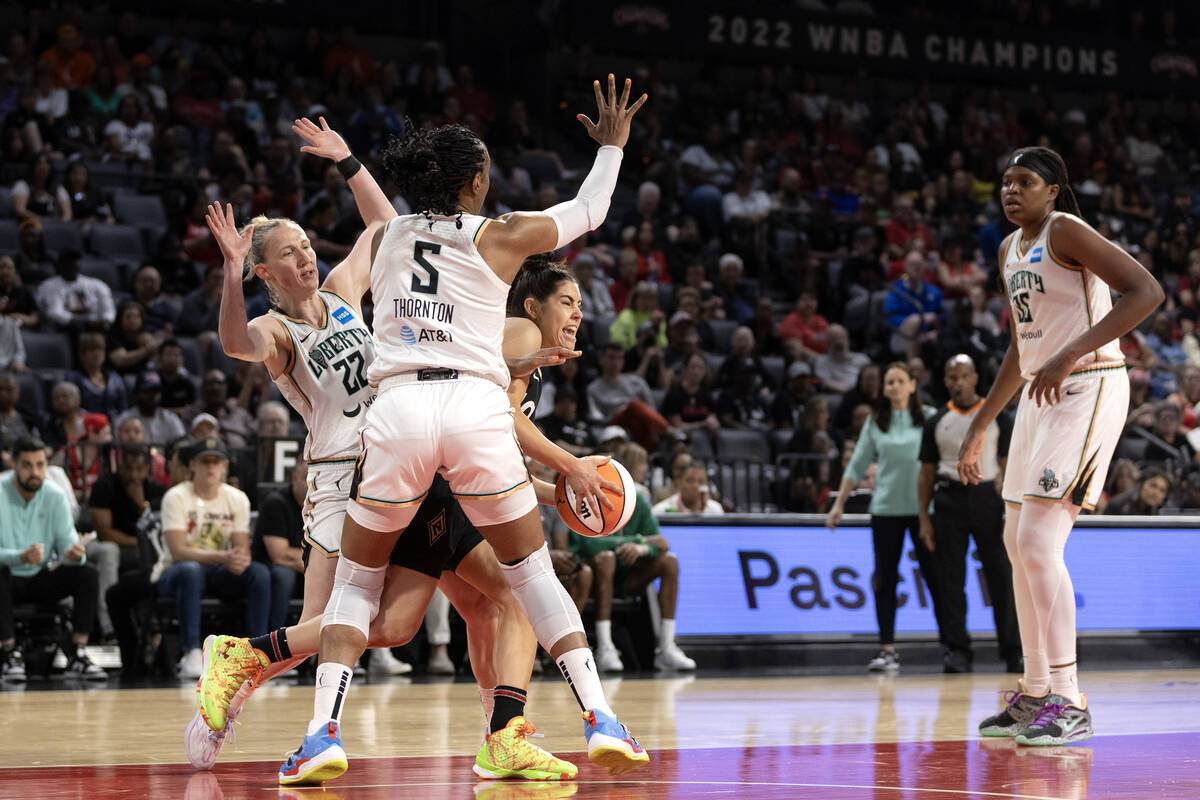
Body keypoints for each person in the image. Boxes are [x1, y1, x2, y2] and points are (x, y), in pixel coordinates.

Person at [187, 116, 616, 782]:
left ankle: (503, 732)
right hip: (347, 475)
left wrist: (349, 161)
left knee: (491, 599)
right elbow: (234, 342)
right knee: (362, 625)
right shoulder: (273, 331)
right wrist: (231, 273)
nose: (305, 257)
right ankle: (240, 660)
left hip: (416, 458)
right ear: (267, 271)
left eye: (307, 244)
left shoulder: (347, 293)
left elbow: (395, 227)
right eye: (290, 252)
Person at [284, 77, 649, 783]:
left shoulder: (385, 236)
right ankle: (600, 715)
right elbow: (592, 208)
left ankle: (320, 734)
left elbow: (374, 222)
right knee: (531, 573)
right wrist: (610, 147)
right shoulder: (503, 236)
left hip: (397, 414)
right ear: (476, 181)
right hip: (475, 410)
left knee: (358, 583)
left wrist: (349, 164)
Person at [957, 146, 1162, 746]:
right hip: (1040, 392)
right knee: (1012, 542)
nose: (1011, 191)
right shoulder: (1007, 249)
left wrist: (1071, 351)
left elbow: (1146, 293)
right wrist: (979, 424)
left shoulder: (1065, 230)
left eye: (1025, 182)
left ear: (1053, 190)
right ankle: (1036, 692)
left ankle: (1071, 701)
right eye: (1005, 183)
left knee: (1038, 541)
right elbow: (1023, 350)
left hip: (1091, 383)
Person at [826, 361, 945, 672]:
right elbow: (856, 465)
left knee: (937, 580)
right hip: (886, 512)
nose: (893, 386)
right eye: (888, 381)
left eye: (899, 381)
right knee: (885, 581)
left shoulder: (930, 417)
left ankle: (951, 645)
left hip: (925, 513)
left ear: (912, 385)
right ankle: (887, 649)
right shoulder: (876, 421)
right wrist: (839, 503)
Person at [917, 354, 1021, 674]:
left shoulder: (998, 416)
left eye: (964, 376)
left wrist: (1013, 509)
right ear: (945, 382)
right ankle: (956, 650)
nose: (958, 382)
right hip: (948, 499)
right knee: (950, 581)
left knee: (1002, 578)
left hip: (988, 498)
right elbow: (926, 474)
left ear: (975, 377)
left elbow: (1010, 467)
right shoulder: (936, 422)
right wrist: (924, 518)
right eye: (952, 377)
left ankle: (1013, 651)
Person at [571, 442, 695, 673]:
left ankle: (666, 647)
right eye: (642, 463)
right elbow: (586, 543)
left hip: (626, 578)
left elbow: (661, 543)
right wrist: (635, 542)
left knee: (670, 562)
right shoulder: (589, 495)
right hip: (593, 576)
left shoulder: (639, 500)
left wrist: (640, 548)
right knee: (606, 558)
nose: (646, 468)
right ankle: (605, 647)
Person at [156, 437, 269, 678]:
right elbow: (178, 552)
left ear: (224, 467)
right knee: (191, 570)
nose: (210, 467)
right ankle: (192, 652)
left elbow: (241, 548)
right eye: (205, 461)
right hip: (175, 572)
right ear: (192, 466)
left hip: (219, 568)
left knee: (259, 573)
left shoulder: (237, 498)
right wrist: (225, 556)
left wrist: (240, 561)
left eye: (216, 462)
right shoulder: (175, 497)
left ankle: (255, 652)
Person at [0, 437, 105, 680]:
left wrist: (74, 555)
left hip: (40, 578)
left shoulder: (55, 495)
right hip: (7, 579)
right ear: (14, 464)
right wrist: (20, 557)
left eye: (40, 465)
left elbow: (68, 544)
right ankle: (8, 652)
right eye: (27, 465)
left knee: (87, 572)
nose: (34, 472)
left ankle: (77, 653)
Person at [652, 463, 724, 515]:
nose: (695, 486)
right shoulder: (660, 511)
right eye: (690, 480)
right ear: (679, 483)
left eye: (701, 481)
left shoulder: (715, 510)